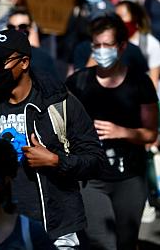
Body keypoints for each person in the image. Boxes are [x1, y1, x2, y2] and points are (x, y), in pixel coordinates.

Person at [0, 29, 105, 248]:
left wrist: (56, 161)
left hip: (57, 231)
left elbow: (95, 161)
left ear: (24, 62)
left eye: (0, 61)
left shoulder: (60, 103)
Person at [66, 14, 158, 250]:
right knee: (101, 243)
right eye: (97, 45)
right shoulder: (78, 82)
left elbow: (150, 134)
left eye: (108, 45)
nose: (101, 50)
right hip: (91, 179)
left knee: (125, 244)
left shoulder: (139, 83)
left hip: (129, 178)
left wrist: (122, 132)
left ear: (122, 46)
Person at [115, 0, 160, 88]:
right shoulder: (113, 43)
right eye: (116, 17)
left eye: (122, 16)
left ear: (135, 18)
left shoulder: (151, 44)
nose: (118, 21)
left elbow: (153, 81)